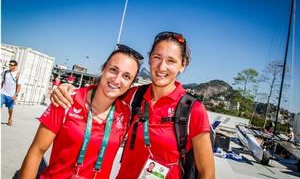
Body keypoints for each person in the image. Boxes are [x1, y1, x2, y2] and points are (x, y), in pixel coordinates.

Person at [50, 31, 215, 179]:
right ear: (150, 58)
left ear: (183, 65)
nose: (161, 66)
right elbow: (105, 90)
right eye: (157, 57)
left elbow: (207, 173)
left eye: (171, 61)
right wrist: (69, 89)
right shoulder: (134, 96)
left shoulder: (192, 110)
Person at [19, 44, 143, 179]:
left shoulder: (126, 114)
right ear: (103, 69)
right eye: (113, 70)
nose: (117, 79)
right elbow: (36, 151)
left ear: (131, 84)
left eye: (126, 76)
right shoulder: (66, 100)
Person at [1, 60, 22, 126]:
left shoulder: (18, 74)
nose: (9, 66)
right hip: (2, 93)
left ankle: (10, 118)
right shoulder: (5, 72)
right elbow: (2, 82)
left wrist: (16, 95)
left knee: (10, 109)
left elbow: (19, 86)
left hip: (11, 95)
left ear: (15, 66)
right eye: (9, 64)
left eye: (11, 65)